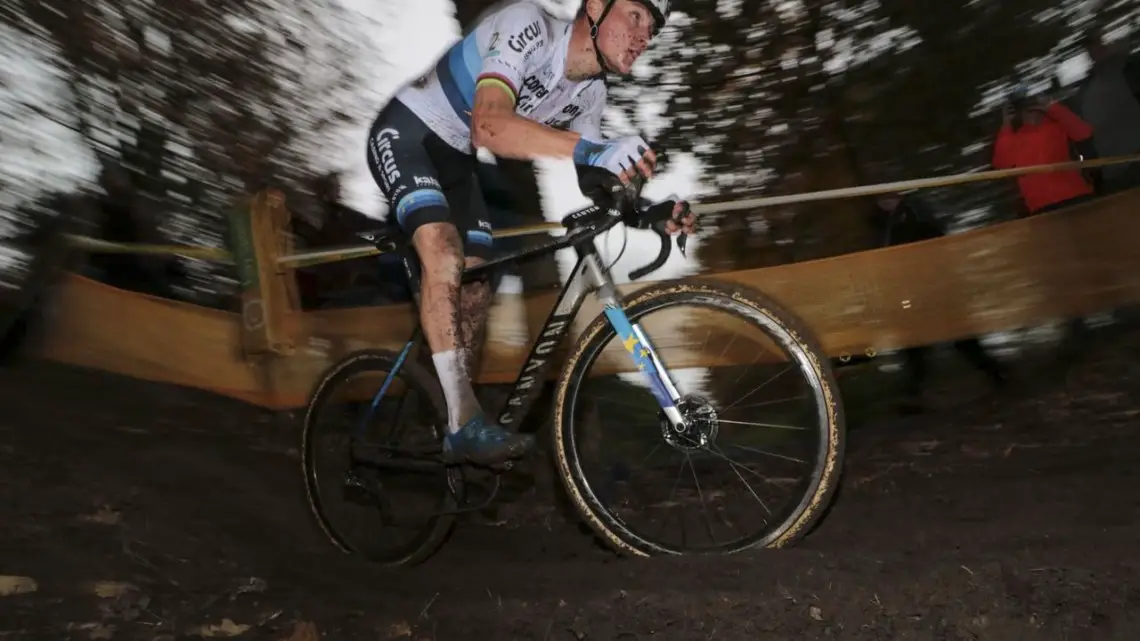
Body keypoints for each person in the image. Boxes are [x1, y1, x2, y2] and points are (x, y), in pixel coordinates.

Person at [364, 0, 697, 466]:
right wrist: (590, 149)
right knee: (443, 254)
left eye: (653, 27)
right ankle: (462, 424)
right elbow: (489, 125)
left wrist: (647, 213)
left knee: (475, 282)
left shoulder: (590, 94)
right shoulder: (529, 27)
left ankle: (440, 414)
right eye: (636, 17)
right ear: (596, 7)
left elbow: (593, 178)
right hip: (408, 134)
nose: (645, 36)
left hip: (456, 161)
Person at [870, 193, 1009, 412]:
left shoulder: (916, 214)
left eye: (889, 197)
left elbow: (933, 240)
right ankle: (913, 395)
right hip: (911, 290)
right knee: (914, 344)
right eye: (881, 199)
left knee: (959, 336)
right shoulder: (885, 223)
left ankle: (998, 374)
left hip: (935, 285)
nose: (885, 202)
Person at [992, 91, 1096, 216]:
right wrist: (1006, 125)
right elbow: (1002, 165)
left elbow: (1084, 133)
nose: (1030, 108)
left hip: (1076, 196)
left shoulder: (1057, 125)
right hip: (1041, 207)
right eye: (1024, 106)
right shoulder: (1012, 138)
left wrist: (1053, 106)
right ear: (1017, 111)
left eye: (1032, 101)